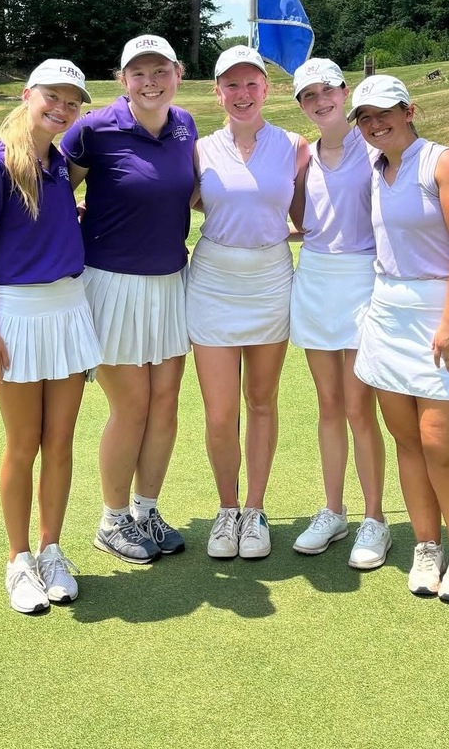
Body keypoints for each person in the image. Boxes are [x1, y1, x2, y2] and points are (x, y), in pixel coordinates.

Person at [349, 74, 449, 604]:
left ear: (409, 110)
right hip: (388, 316)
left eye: (383, 112)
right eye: (364, 117)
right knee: (407, 442)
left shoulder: (443, 161)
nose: (373, 123)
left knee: (442, 447)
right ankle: (426, 545)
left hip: (440, 315)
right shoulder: (374, 167)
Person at [0, 59, 102, 615]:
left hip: (68, 309)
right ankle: (18, 559)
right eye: (54, 96)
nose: (63, 108)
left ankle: (51, 551)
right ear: (28, 95)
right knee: (24, 444)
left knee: (62, 443)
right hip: (17, 314)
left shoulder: (59, 162)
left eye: (73, 102)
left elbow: (50, 222)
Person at [62, 35, 197, 564]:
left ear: (177, 73)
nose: (149, 81)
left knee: (165, 404)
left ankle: (146, 510)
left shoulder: (186, 125)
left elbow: (185, 190)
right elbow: (59, 189)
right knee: (133, 405)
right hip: (111, 283)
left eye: (159, 70)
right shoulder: (94, 129)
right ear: (122, 81)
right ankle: (112, 519)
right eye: (137, 73)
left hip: (169, 282)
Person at [188, 45, 310, 560]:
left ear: (267, 89)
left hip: (269, 281)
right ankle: (227, 509)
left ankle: (255, 510)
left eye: (251, 84)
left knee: (261, 402)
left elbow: (308, 215)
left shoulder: (295, 146)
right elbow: (180, 202)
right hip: (214, 280)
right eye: (231, 85)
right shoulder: (197, 150)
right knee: (220, 413)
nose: (242, 94)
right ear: (218, 92)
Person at [288, 59, 389, 570]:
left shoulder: (372, 148)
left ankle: (375, 518)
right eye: (308, 96)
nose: (320, 101)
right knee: (328, 404)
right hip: (315, 279)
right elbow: (300, 218)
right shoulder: (303, 155)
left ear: (345, 92)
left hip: (360, 282)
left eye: (327, 90)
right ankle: (334, 510)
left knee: (357, 406)